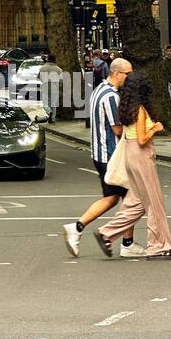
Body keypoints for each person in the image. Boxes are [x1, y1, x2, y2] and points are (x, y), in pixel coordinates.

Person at [97, 71, 171, 260]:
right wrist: (155, 129)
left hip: (130, 156)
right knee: (154, 202)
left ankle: (106, 233)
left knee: (137, 202)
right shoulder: (140, 109)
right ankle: (158, 246)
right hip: (141, 156)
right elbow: (142, 139)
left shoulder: (126, 107)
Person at [62, 57, 137, 257]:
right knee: (130, 199)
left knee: (116, 198)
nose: (129, 78)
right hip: (111, 155)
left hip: (100, 153)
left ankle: (125, 243)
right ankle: (79, 228)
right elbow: (117, 128)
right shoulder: (112, 96)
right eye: (127, 74)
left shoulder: (98, 90)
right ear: (117, 73)